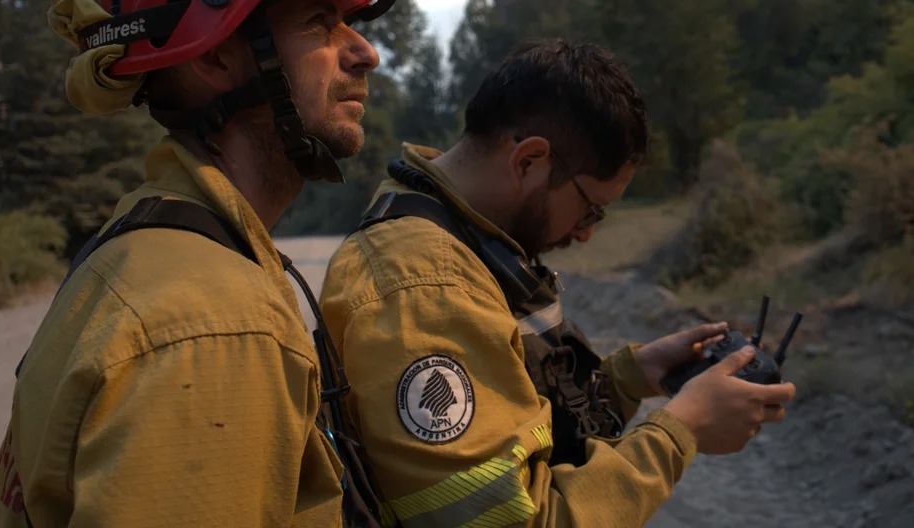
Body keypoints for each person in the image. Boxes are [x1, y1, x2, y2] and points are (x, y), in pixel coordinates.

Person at [0, 0, 401, 527]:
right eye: (319, 23)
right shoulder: (209, 320)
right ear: (218, 59)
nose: (364, 53)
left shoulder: (144, 241)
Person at [319, 38, 797, 527]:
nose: (587, 232)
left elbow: (516, 415)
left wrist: (633, 377)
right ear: (529, 161)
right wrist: (683, 429)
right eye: (590, 208)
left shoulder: (455, 234)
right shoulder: (425, 287)